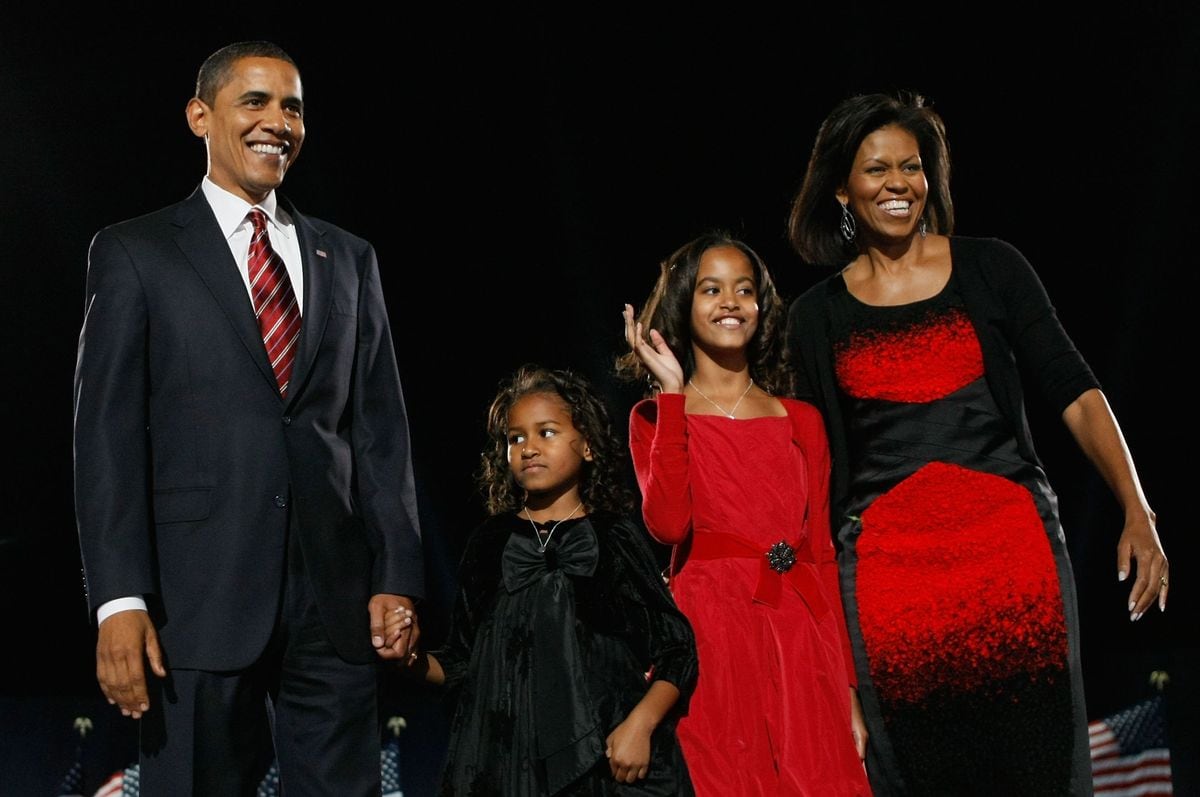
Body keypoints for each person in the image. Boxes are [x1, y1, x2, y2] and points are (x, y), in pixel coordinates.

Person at [785, 91, 1169, 795]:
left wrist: (1137, 509)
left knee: (1040, 768)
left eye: (912, 166)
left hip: (1013, 563)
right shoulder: (814, 318)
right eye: (876, 169)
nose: (898, 183)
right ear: (841, 187)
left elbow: (1075, 390)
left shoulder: (993, 267)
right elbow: (808, 480)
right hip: (888, 588)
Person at [72, 41, 424, 793]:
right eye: (255, 101)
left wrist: (396, 572)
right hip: (196, 600)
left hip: (334, 605)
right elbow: (104, 441)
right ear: (201, 116)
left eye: (293, 105)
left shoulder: (349, 256)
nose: (278, 121)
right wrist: (119, 598)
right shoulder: (135, 253)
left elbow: (380, 433)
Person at [618, 232, 872, 795]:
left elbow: (822, 555)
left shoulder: (802, 421)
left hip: (801, 635)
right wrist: (673, 394)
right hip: (712, 635)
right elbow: (668, 526)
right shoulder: (658, 417)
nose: (730, 302)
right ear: (685, 304)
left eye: (744, 289)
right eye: (711, 289)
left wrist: (848, 691)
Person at [394, 365, 698, 795]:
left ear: (588, 445)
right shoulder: (489, 542)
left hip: (606, 758)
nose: (529, 448)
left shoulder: (614, 536)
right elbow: (463, 663)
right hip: (504, 765)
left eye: (547, 432)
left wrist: (640, 725)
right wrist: (410, 661)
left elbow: (676, 649)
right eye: (516, 438)